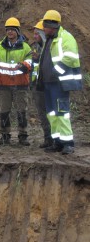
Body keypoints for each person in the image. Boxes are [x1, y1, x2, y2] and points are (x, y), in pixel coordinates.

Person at [36, 9, 82, 155]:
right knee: (52, 114)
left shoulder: (65, 38)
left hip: (59, 84)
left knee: (62, 113)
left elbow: (71, 57)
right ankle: (57, 142)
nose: (43, 29)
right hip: (49, 84)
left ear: (52, 26)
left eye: (45, 26)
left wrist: (57, 72)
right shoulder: (50, 39)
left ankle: (68, 143)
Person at [0, 17, 32, 146]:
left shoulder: (25, 47)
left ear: (17, 31)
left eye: (12, 30)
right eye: (8, 30)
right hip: (3, 84)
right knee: (4, 111)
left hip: (20, 84)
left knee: (21, 110)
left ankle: (23, 136)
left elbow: (30, 62)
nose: (10, 32)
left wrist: (24, 65)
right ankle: (5, 136)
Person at [29, 21, 52, 148]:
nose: (34, 36)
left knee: (52, 112)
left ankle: (55, 138)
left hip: (49, 84)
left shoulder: (50, 47)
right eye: (34, 34)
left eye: (37, 33)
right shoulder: (34, 47)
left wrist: (39, 58)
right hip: (38, 86)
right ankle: (48, 138)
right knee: (42, 113)